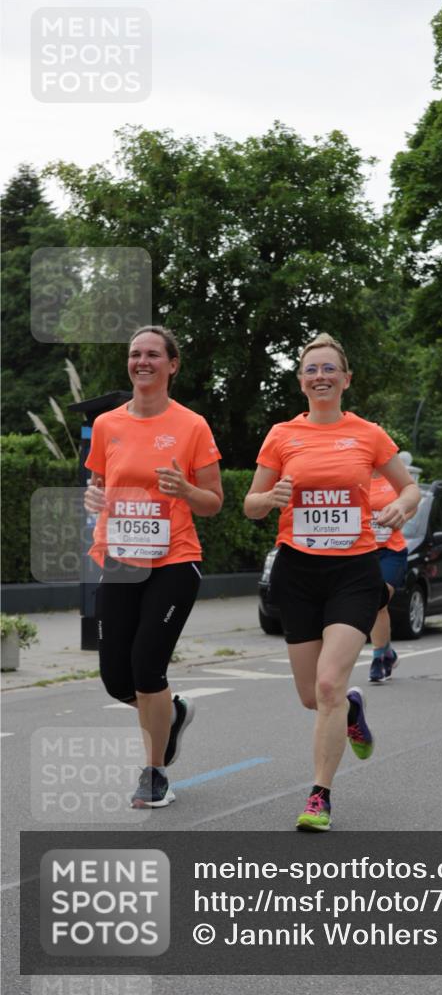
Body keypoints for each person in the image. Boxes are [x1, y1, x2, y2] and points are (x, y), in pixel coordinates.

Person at [244, 333, 420, 831]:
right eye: (311, 369)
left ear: (345, 379)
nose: (320, 376)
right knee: (311, 696)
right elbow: (250, 506)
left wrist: (401, 506)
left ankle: (319, 795)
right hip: (297, 571)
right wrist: (272, 498)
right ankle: (351, 712)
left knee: (327, 683)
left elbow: (408, 489)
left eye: (329, 369)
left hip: (353, 570)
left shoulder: (368, 434)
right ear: (300, 380)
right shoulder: (281, 435)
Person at [84, 326, 223, 807]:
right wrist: (92, 496)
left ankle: (154, 771)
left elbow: (213, 502)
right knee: (117, 680)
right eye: (135, 354)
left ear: (172, 365)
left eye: (152, 355)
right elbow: (100, 486)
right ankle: (174, 712)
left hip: (174, 561)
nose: (142, 362)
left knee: (147, 670)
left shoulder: (192, 426)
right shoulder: (107, 425)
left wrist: (185, 490)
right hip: (120, 560)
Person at [368, 471, 410, 683]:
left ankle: (378, 658)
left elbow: (412, 506)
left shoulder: (393, 479)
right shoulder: (356, 476)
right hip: (364, 551)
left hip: (391, 551)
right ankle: (387, 653)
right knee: (376, 605)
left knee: (379, 597)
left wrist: (400, 517)